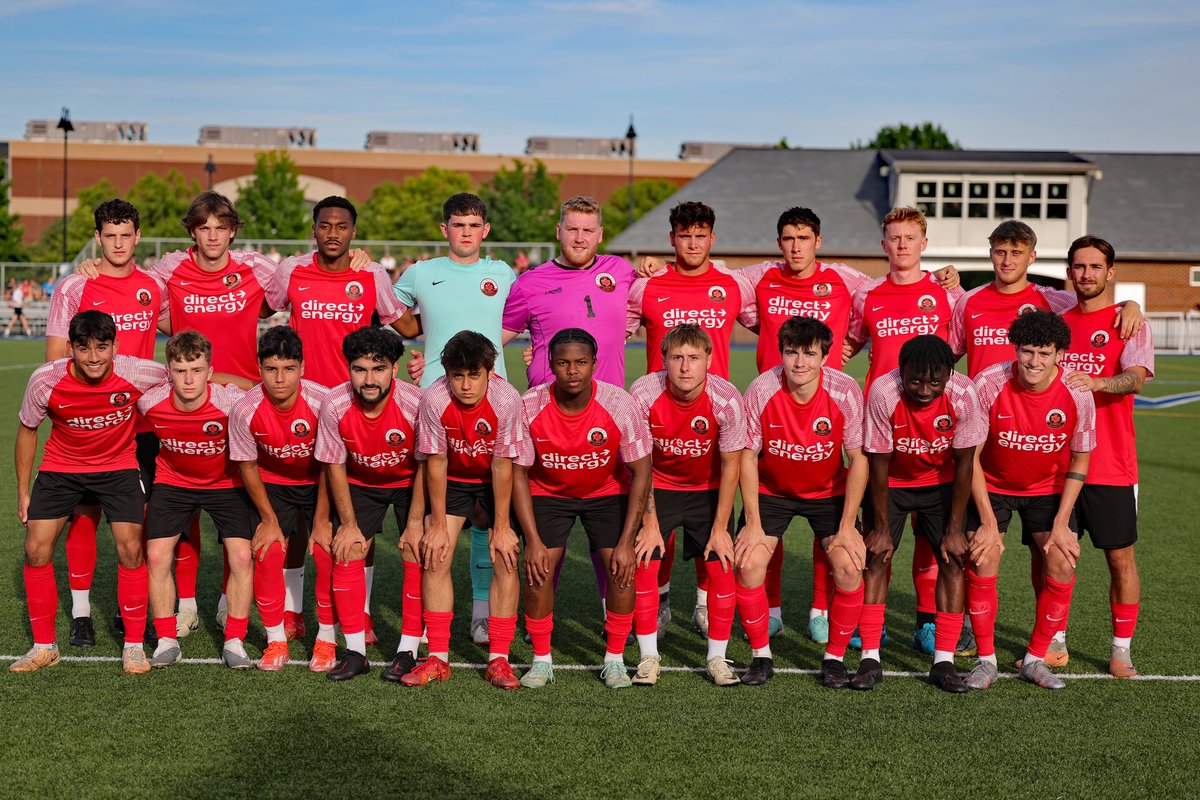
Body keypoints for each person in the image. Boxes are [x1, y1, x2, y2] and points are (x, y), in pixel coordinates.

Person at [624, 201, 756, 640]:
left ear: (712, 239)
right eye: (685, 235)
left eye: (701, 235)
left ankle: (703, 605)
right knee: (659, 522)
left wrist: (839, 351)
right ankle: (661, 603)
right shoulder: (648, 285)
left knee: (709, 522)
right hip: (660, 417)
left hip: (714, 423)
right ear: (672, 239)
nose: (693, 243)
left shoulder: (733, 285)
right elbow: (609, 325)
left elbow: (777, 318)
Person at [12, 310, 166, 674]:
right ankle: (44, 646)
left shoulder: (137, 371)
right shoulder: (45, 381)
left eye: (102, 347)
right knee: (35, 547)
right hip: (61, 468)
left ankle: (132, 647)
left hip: (118, 467)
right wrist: (22, 491)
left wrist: (246, 387)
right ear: (71, 348)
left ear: (115, 346)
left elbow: (187, 379)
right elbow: (27, 430)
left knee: (130, 547)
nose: (94, 357)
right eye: (84, 349)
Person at [393, 193, 517, 644]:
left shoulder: (503, 274)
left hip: (492, 402)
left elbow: (519, 316)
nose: (465, 232)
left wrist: (495, 351)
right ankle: (424, 619)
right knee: (430, 513)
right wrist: (418, 355)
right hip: (434, 398)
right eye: (457, 224)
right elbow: (395, 315)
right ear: (444, 228)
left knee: (486, 514)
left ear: (485, 231)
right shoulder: (420, 274)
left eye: (473, 225)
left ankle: (481, 612)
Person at [45, 199, 166, 645]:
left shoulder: (154, 286)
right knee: (84, 518)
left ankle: (127, 608)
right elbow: (56, 357)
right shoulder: (75, 288)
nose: (118, 243)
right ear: (98, 238)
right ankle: (80, 614)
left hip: (142, 425)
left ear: (138, 237)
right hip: (90, 425)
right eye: (109, 236)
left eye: (125, 235)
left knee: (137, 522)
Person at [847, 206, 966, 656]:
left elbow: (967, 339)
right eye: (894, 237)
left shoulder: (946, 293)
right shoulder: (868, 296)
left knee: (928, 533)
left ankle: (927, 623)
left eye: (909, 238)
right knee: (878, 530)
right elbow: (849, 344)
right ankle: (866, 624)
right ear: (884, 245)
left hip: (934, 427)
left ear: (924, 244)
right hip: (880, 425)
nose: (901, 245)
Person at [511, 328, 652, 689]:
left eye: (580, 363)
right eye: (563, 363)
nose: (572, 371)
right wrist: (533, 541)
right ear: (550, 365)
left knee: (622, 568)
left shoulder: (619, 404)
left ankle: (615, 659)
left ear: (594, 364)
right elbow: (519, 473)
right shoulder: (529, 405)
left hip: (605, 491)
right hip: (548, 493)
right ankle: (541, 660)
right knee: (539, 569)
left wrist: (626, 542)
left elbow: (641, 472)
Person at [963, 311, 1096, 690]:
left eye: (1044, 353)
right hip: (991, 485)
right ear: (1015, 349)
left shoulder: (1077, 392)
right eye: (1026, 351)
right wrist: (988, 523)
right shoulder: (989, 383)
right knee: (983, 553)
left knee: (1062, 559)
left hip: (1048, 490)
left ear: (1060, 355)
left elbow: (1080, 457)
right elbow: (970, 456)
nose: (1034, 361)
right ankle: (986, 660)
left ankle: (1035, 659)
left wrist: (1061, 522)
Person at [737, 317, 868, 687]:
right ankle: (761, 656)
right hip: (771, 492)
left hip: (827, 493)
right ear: (780, 353)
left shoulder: (843, 390)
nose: (799, 363)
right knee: (748, 564)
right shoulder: (762, 388)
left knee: (849, 565)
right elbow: (748, 455)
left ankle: (835, 658)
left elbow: (858, 457)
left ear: (824, 357)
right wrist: (752, 522)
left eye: (809, 354)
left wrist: (847, 525)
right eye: (791, 352)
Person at [862, 335, 986, 692]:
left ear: (950, 373)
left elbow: (964, 463)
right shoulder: (884, 391)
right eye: (916, 380)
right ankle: (870, 657)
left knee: (952, 559)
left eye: (935, 381)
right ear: (902, 372)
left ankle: (943, 662)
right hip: (893, 482)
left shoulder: (964, 393)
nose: (925, 389)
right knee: (877, 556)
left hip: (942, 483)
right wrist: (882, 527)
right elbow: (878, 464)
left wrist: (954, 528)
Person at [628, 324, 747, 685]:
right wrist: (648, 522)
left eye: (694, 358)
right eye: (677, 357)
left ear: (709, 360)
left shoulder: (726, 398)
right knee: (645, 562)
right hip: (658, 488)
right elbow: (641, 462)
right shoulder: (644, 393)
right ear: (663, 359)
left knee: (721, 565)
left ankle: (717, 659)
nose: (684, 367)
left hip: (706, 490)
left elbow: (731, 466)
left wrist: (721, 528)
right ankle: (649, 657)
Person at [404, 331, 523, 689]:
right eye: (458, 375)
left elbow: (504, 466)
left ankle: (498, 659)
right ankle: (438, 658)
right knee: (436, 553)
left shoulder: (507, 399)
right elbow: (436, 463)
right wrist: (437, 524)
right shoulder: (435, 398)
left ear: (490, 372)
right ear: (447, 374)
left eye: (474, 375)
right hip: (453, 475)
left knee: (504, 555)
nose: (466, 385)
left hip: (495, 477)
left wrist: (501, 526)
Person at [1059, 235, 1154, 678]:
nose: (1087, 275)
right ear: (1069, 272)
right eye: (1079, 267)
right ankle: (1053, 642)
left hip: (1112, 464)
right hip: (1058, 466)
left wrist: (1099, 382)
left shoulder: (1129, 323)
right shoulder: (1056, 322)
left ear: (1110, 272)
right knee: (1055, 555)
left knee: (1120, 558)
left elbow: (1135, 379)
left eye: (1096, 267)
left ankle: (1121, 649)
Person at [138, 331, 257, 670]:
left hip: (225, 482)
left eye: (197, 370)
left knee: (241, 557)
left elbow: (258, 391)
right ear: (169, 371)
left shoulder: (230, 401)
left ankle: (234, 640)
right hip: (173, 482)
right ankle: (166, 640)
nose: (188, 379)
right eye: (180, 370)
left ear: (210, 370)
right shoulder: (150, 403)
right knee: (157, 555)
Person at [315, 326, 426, 681]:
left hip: (410, 481)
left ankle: (407, 650)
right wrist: (347, 524)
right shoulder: (334, 404)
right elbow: (334, 465)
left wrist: (415, 521)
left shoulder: (416, 404)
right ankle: (355, 652)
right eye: (360, 369)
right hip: (361, 482)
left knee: (417, 548)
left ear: (395, 369)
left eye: (378, 369)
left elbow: (428, 464)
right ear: (348, 368)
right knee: (347, 549)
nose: (369, 379)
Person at [227, 325, 331, 671]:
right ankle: (276, 641)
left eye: (288, 369)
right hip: (272, 483)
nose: (280, 378)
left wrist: (320, 521)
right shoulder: (244, 409)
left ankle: (327, 641)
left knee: (329, 550)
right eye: (271, 369)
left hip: (320, 482)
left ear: (301, 367)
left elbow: (333, 464)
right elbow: (247, 465)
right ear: (260, 369)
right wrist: (269, 520)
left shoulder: (322, 403)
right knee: (267, 551)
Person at [502, 197, 636, 389]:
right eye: (572, 229)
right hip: (549, 407)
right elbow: (494, 343)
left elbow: (653, 301)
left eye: (588, 231)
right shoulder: (529, 284)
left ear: (600, 234)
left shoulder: (620, 270)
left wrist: (655, 265)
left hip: (608, 408)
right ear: (559, 231)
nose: (579, 238)